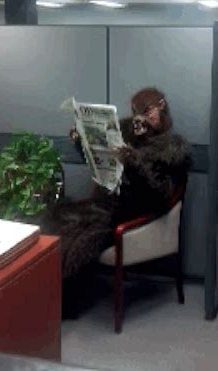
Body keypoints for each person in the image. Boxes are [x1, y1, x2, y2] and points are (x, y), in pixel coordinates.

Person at [54, 87, 192, 317]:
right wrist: (82, 141)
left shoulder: (173, 148)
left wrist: (133, 161)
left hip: (138, 209)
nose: (144, 118)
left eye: (149, 111)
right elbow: (100, 160)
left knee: (87, 236)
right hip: (110, 202)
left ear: (162, 106)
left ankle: (66, 301)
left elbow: (160, 194)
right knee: (64, 222)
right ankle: (51, 292)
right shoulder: (128, 131)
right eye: (139, 112)